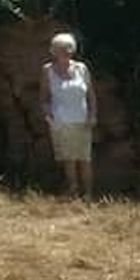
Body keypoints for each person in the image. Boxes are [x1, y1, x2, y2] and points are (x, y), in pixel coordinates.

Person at [39, 32, 96, 197]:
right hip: (60, 122)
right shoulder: (47, 70)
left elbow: (91, 95)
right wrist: (48, 115)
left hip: (82, 120)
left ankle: (89, 195)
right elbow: (43, 97)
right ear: (54, 51)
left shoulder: (82, 69)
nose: (66, 52)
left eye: (68, 49)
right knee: (68, 160)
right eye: (61, 49)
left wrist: (93, 115)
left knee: (85, 159)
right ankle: (74, 193)